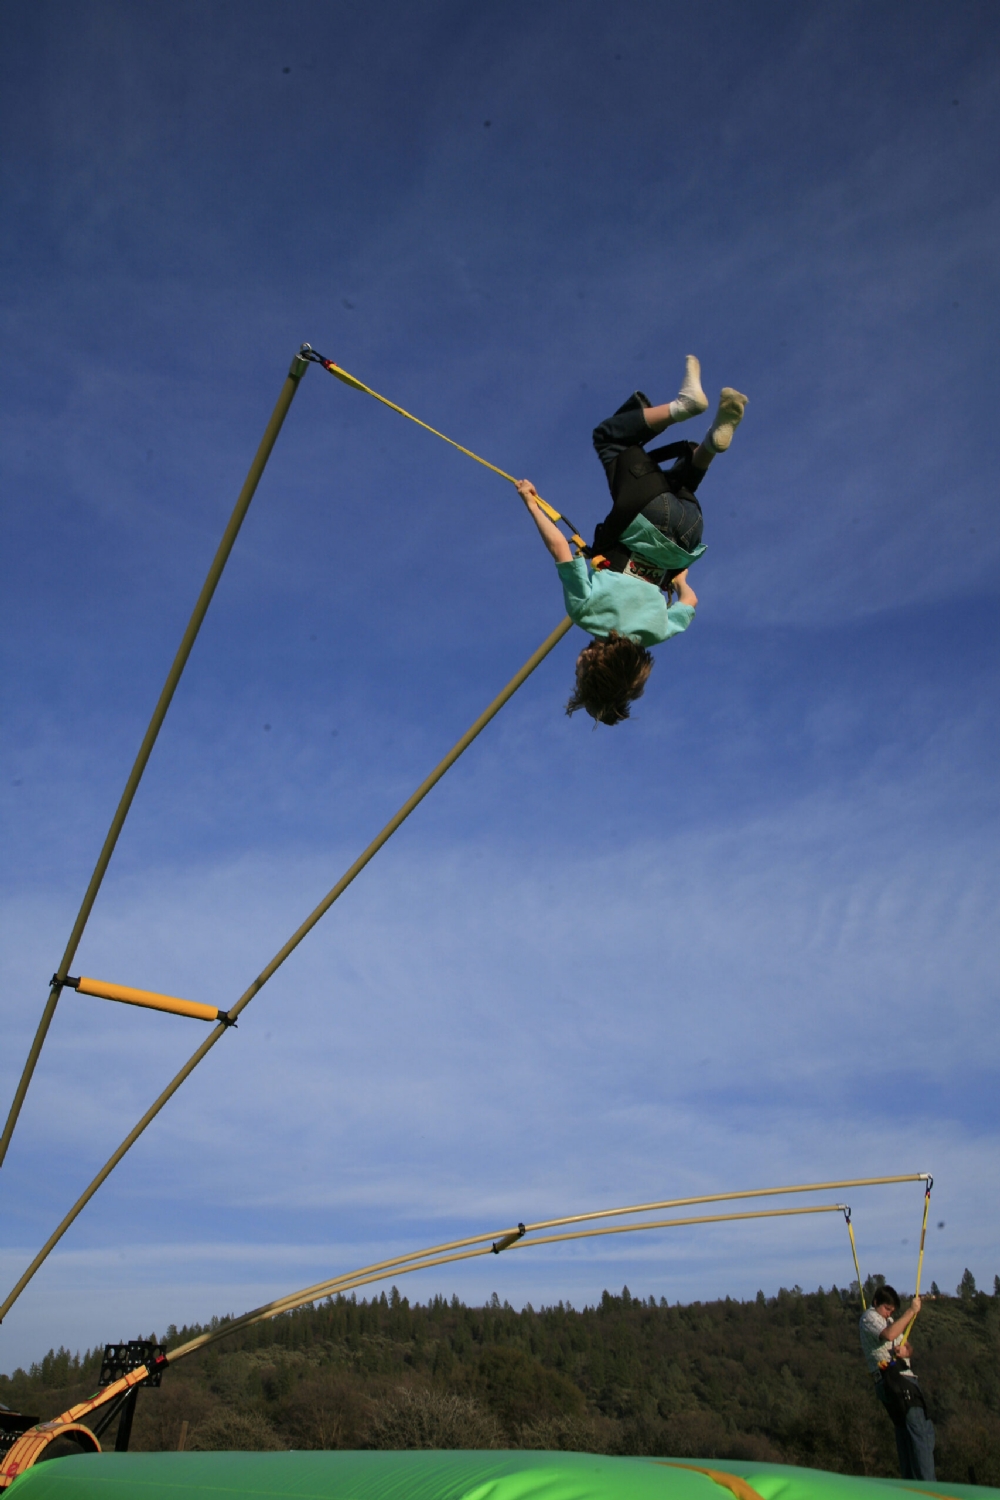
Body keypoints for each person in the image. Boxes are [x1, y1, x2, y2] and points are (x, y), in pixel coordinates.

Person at [517, 356, 748, 725]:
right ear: (590, 667)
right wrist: (531, 503)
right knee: (609, 438)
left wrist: (679, 579)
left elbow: (690, 601)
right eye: (579, 674)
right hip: (645, 514)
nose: (575, 668)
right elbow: (560, 548)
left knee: (679, 483)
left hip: (689, 532)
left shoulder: (654, 634)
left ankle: (710, 444)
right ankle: (685, 406)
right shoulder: (584, 614)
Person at [859, 1286, 935, 1480]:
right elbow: (889, 1335)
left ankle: (910, 1484)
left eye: (892, 1311)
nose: (889, 1314)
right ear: (876, 1303)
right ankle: (929, 1487)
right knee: (920, 1433)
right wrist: (911, 1311)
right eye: (887, 1309)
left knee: (907, 1434)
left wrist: (905, 1351)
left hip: (900, 1379)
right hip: (895, 1380)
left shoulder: (890, 1321)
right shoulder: (869, 1318)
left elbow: (906, 1345)